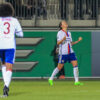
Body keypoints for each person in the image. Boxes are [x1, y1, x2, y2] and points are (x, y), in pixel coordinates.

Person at [48, 20, 83, 86]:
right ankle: (51, 78)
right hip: (63, 53)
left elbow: (70, 43)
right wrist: (62, 39)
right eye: (64, 23)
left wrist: (78, 41)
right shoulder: (60, 33)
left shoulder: (69, 33)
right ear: (61, 26)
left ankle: (76, 81)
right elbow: (58, 43)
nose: (65, 23)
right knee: (59, 67)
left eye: (65, 22)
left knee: (75, 65)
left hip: (71, 52)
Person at [0, 3, 23, 96]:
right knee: (9, 66)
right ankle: (6, 86)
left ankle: (5, 86)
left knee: (3, 64)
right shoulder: (14, 20)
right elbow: (20, 34)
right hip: (9, 45)